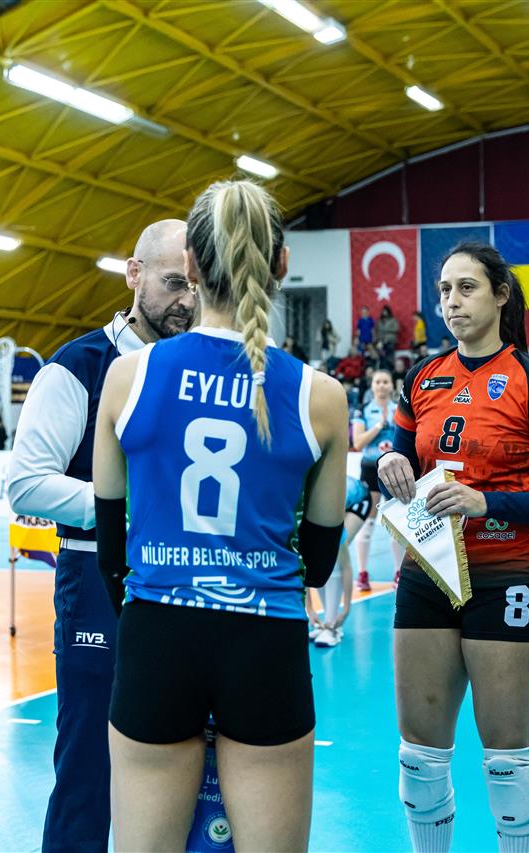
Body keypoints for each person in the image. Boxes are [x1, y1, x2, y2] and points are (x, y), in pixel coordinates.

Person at [92, 179, 348, 850]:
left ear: (192, 266)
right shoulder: (320, 396)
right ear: (282, 264)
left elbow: (110, 549)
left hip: (157, 631)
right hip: (265, 639)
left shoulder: (128, 376)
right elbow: (321, 563)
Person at [378, 241, 529, 853]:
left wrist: (485, 502)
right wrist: (386, 461)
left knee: (506, 763)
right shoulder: (423, 376)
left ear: (500, 295)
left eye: (466, 288)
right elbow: (395, 459)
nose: (451, 301)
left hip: (506, 578)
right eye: (444, 289)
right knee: (418, 759)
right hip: (427, 574)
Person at [6, 218, 194, 852]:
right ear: (134, 275)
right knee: (89, 764)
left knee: (181, 763)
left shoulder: (203, 368)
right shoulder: (78, 365)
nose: (186, 300)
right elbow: (26, 484)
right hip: (96, 577)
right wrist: (128, 507)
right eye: (173, 283)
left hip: (188, 580)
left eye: (196, 286)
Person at [351, 369, 403, 593]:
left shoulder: (400, 409)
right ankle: (362, 574)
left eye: (385, 382)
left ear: (392, 386)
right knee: (368, 523)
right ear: (372, 386)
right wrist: (379, 426)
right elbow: (358, 443)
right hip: (371, 469)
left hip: (394, 470)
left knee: (396, 524)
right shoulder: (363, 409)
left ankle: (399, 573)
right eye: (378, 382)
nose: (382, 385)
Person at [310, 476, 371, 648]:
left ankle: (333, 627)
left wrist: (346, 610)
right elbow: (302, 563)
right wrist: (309, 609)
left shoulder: (330, 516)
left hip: (358, 500)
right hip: (333, 500)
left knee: (334, 552)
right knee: (317, 556)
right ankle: (326, 624)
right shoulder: (301, 516)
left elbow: (346, 566)